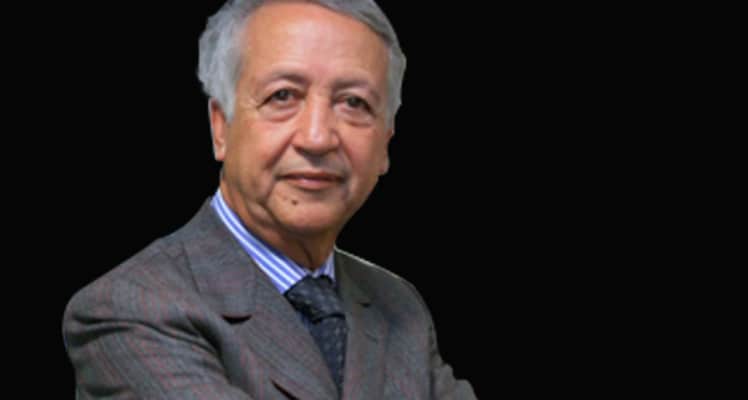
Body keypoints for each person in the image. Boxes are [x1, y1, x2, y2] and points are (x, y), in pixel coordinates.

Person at [62, 0, 477, 399]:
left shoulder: (399, 305)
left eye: (354, 103)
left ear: (385, 143)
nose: (317, 137)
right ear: (221, 127)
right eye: (283, 96)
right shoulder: (132, 307)